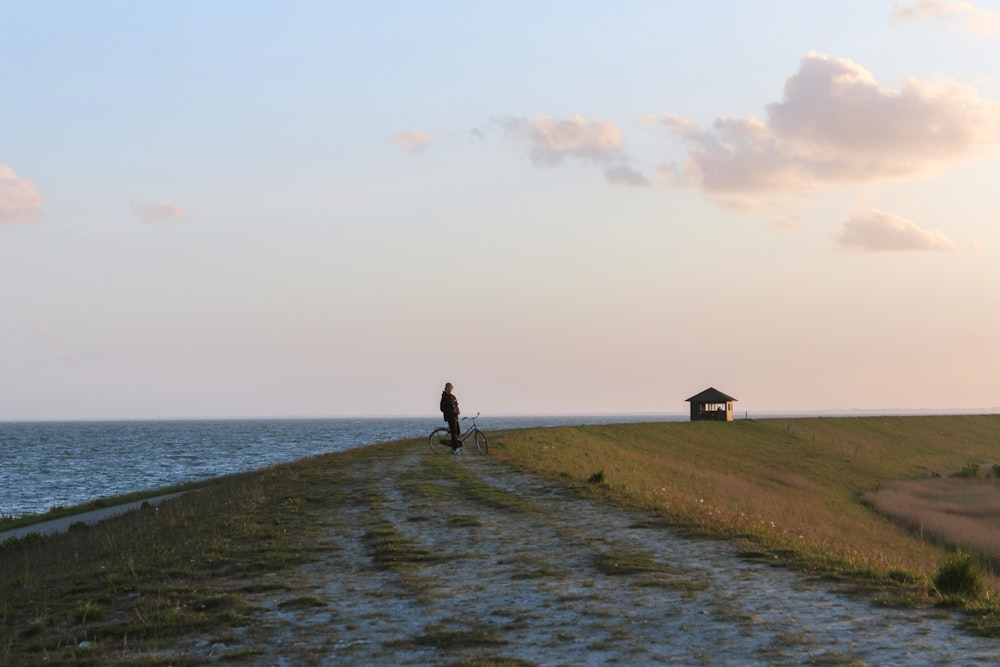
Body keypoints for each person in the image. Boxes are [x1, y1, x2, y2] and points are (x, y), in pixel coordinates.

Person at [439, 382, 461, 451]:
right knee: (454, 432)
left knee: (458, 431)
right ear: (447, 388)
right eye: (451, 388)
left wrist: (457, 411)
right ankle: (454, 448)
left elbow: (456, 404)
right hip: (450, 417)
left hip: (455, 416)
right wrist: (450, 411)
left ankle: (454, 443)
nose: (451, 390)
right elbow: (442, 408)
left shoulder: (452, 396)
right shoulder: (444, 397)